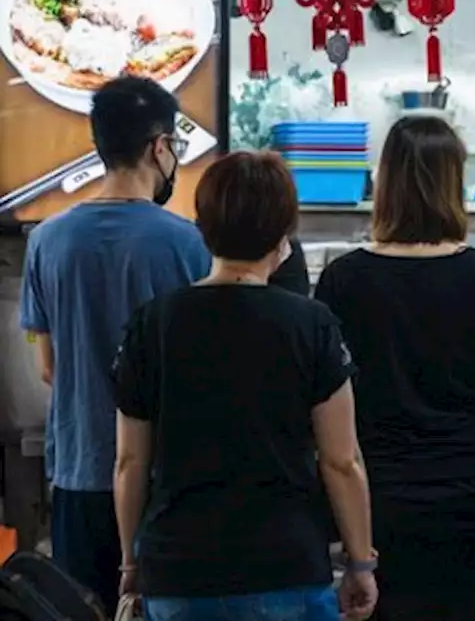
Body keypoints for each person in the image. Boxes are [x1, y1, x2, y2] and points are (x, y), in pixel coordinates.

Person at [111, 151, 376, 621]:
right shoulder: (311, 324)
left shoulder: (152, 324)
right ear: (282, 234)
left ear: (204, 225)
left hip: (178, 570)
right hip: (287, 567)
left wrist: (131, 561)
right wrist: (360, 561)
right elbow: (341, 460)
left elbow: (130, 461)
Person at [315, 116, 475, 621]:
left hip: (377, 491)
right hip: (471, 487)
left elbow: (323, 401)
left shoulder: (343, 280)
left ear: (386, 182)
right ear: (454, 183)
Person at [18, 77, 210, 614]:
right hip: (167, 475)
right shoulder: (189, 243)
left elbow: (48, 367)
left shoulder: (47, 241)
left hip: (81, 469)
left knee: (87, 607)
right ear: (159, 147)